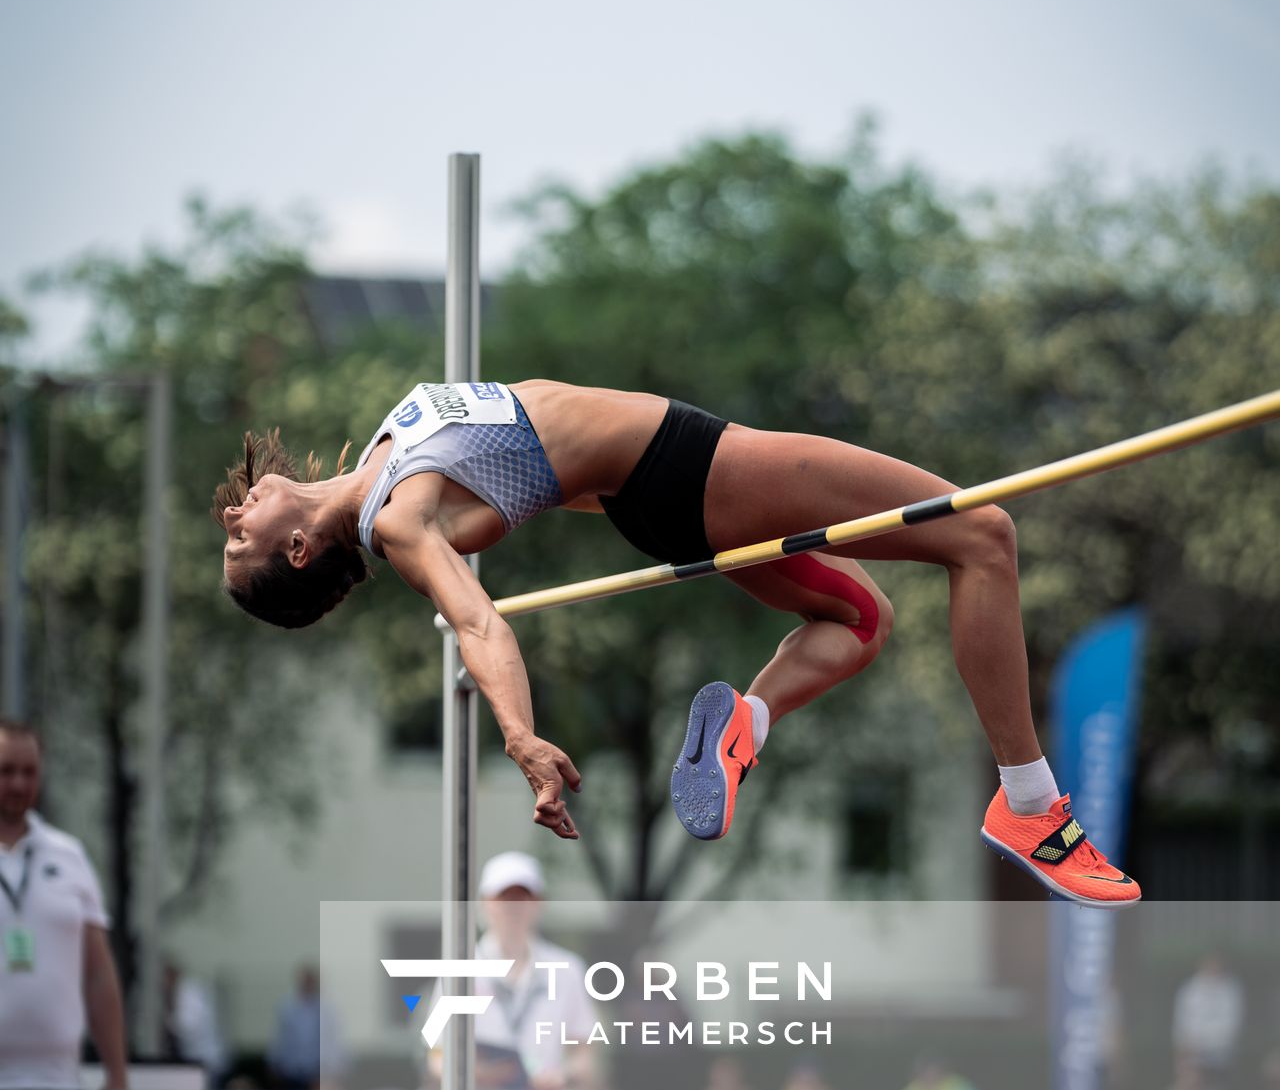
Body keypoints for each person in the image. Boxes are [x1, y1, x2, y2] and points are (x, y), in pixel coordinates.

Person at [213, 378, 1138, 907]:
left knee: (862, 622)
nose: (233, 512)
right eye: (239, 538)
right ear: (299, 550)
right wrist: (522, 739)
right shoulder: (401, 517)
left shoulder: (376, 467)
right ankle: (1031, 804)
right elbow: (478, 622)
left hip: (659, 501)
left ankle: (746, 725)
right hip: (689, 468)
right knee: (983, 536)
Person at [0, 718, 128, 1090]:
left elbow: (99, 975)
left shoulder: (69, 855)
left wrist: (117, 1076)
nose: (19, 784)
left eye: (29, 772)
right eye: (6, 771)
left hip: (58, 1083)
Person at [430, 850, 595, 1090]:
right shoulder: (458, 970)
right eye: (504, 898)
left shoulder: (567, 969)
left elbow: (584, 1053)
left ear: (539, 903)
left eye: (523, 897)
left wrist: (564, 1076)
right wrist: (477, 1074)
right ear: (485, 904)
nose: (514, 908)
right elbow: (437, 1056)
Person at [268, 962, 346, 1090]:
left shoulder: (327, 1008)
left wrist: (334, 1070)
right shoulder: (287, 1007)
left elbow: (334, 1041)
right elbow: (279, 1037)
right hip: (292, 1072)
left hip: (317, 1073)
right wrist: (274, 1062)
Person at [1171, 951, 1245, 1082]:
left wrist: (1200, 1045)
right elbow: (1181, 1025)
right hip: (1190, 1055)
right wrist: (1185, 1047)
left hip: (1219, 1055)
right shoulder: (1189, 990)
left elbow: (1229, 1030)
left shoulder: (1231, 991)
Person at [161, 957, 227, 1085]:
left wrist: (166, 1021)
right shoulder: (184, 991)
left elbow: (188, 1026)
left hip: (204, 1060)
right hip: (196, 1061)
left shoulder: (189, 993)